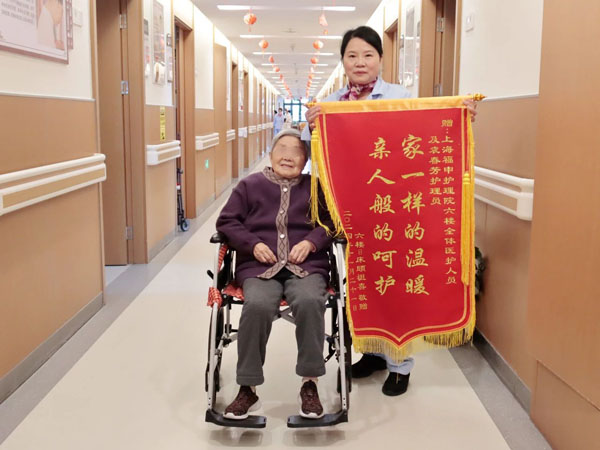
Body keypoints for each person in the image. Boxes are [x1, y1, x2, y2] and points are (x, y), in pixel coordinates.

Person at [303, 25, 478, 397]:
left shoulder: (400, 98)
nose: (360, 62)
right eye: (352, 55)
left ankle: (401, 365)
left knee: (397, 286)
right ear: (343, 61)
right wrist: (312, 126)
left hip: (396, 212)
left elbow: (427, 133)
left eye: (368, 55)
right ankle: (373, 352)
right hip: (353, 217)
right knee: (363, 284)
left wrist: (460, 115)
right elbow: (313, 154)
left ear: (381, 59)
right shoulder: (331, 104)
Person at [216, 129, 334, 420]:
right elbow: (227, 222)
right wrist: (252, 244)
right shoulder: (249, 186)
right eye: (282, 149)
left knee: (310, 301)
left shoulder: (316, 187)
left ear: (305, 159)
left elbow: (333, 221)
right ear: (270, 154)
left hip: (307, 267)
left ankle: (310, 383)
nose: (288, 156)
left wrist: (311, 242)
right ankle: (248, 388)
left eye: (296, 151)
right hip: (259, 268)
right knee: (257, 305)